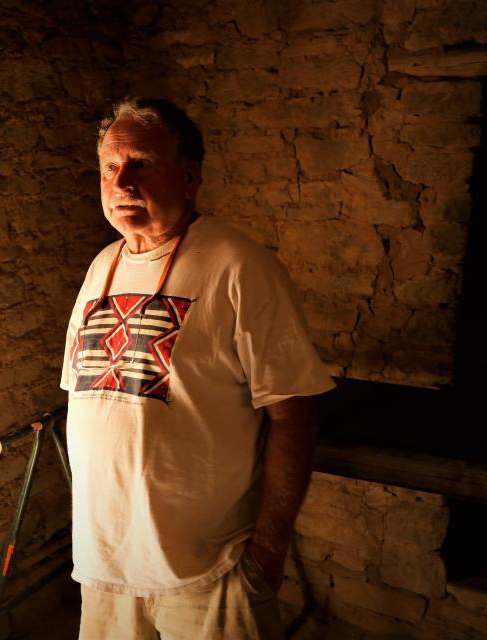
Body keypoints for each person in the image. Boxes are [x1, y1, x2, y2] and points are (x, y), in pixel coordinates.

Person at [61, 98, 335, 639]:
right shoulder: (101, 267)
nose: (122, 183)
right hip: (105, 571)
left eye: (142, 163)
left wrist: (266, 556)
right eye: (111, 168)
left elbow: (292, 414)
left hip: (210, 574)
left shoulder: (237, 266)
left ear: (189, 177)